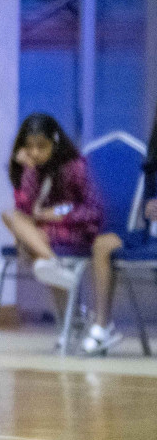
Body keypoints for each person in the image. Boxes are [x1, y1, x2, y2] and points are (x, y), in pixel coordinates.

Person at [1, 114, 102, 304]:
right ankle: (51, 263)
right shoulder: (32, 169)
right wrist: (27, 169)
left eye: (41, 146)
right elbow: (25, 209)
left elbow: (94, 210)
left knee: (35, 251)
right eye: (29, 147)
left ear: (54, 143)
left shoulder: (75, 166)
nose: (35, 152)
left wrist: (59, 213)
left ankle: (49, 262)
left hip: (73, 231)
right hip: (41, 234)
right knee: (10, 215)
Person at [79, 110, 157, 356]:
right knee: (102, 244)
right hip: (150, 236)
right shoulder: (152, 163)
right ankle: (102, 326)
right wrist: (148, 208)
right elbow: (148, 208)